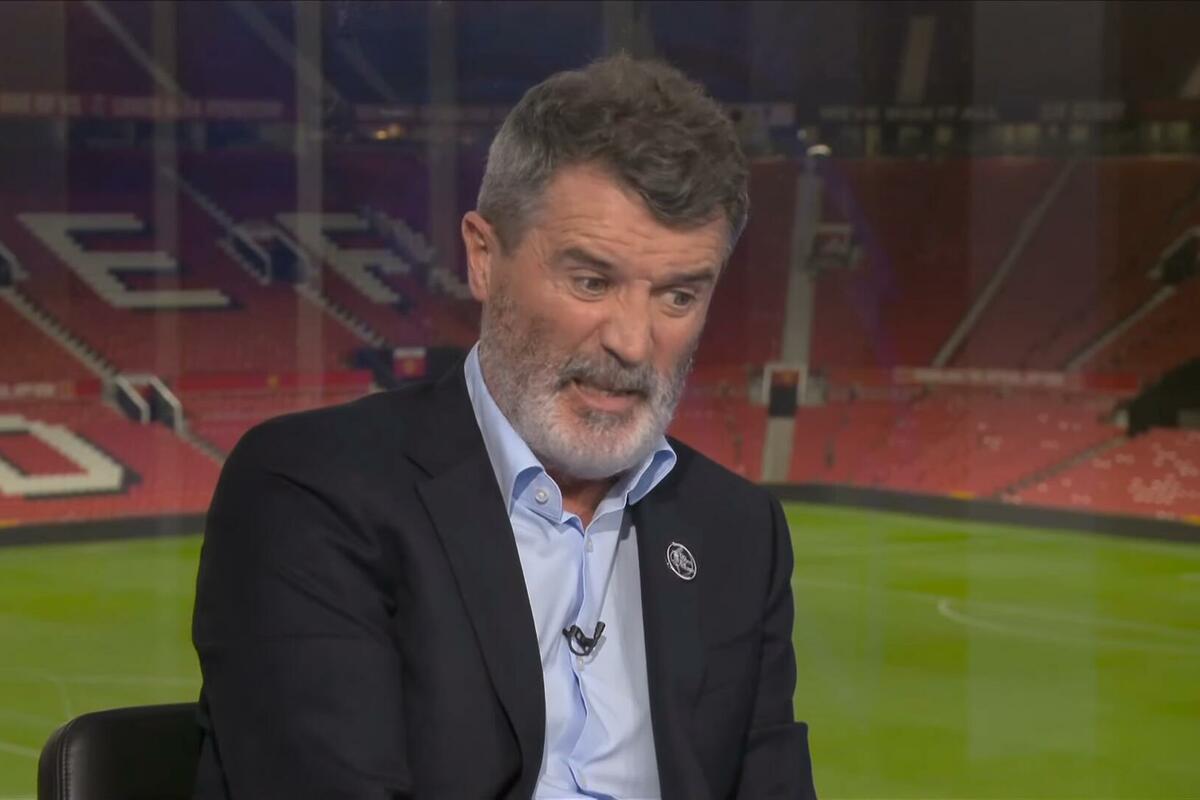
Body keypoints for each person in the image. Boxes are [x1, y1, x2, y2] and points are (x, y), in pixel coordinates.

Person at [192, 54, 817, 799]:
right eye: (591, 280)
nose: (633, 342)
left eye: (678, 296)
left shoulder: (740, 533)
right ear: (484, 258)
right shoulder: (311, 493)